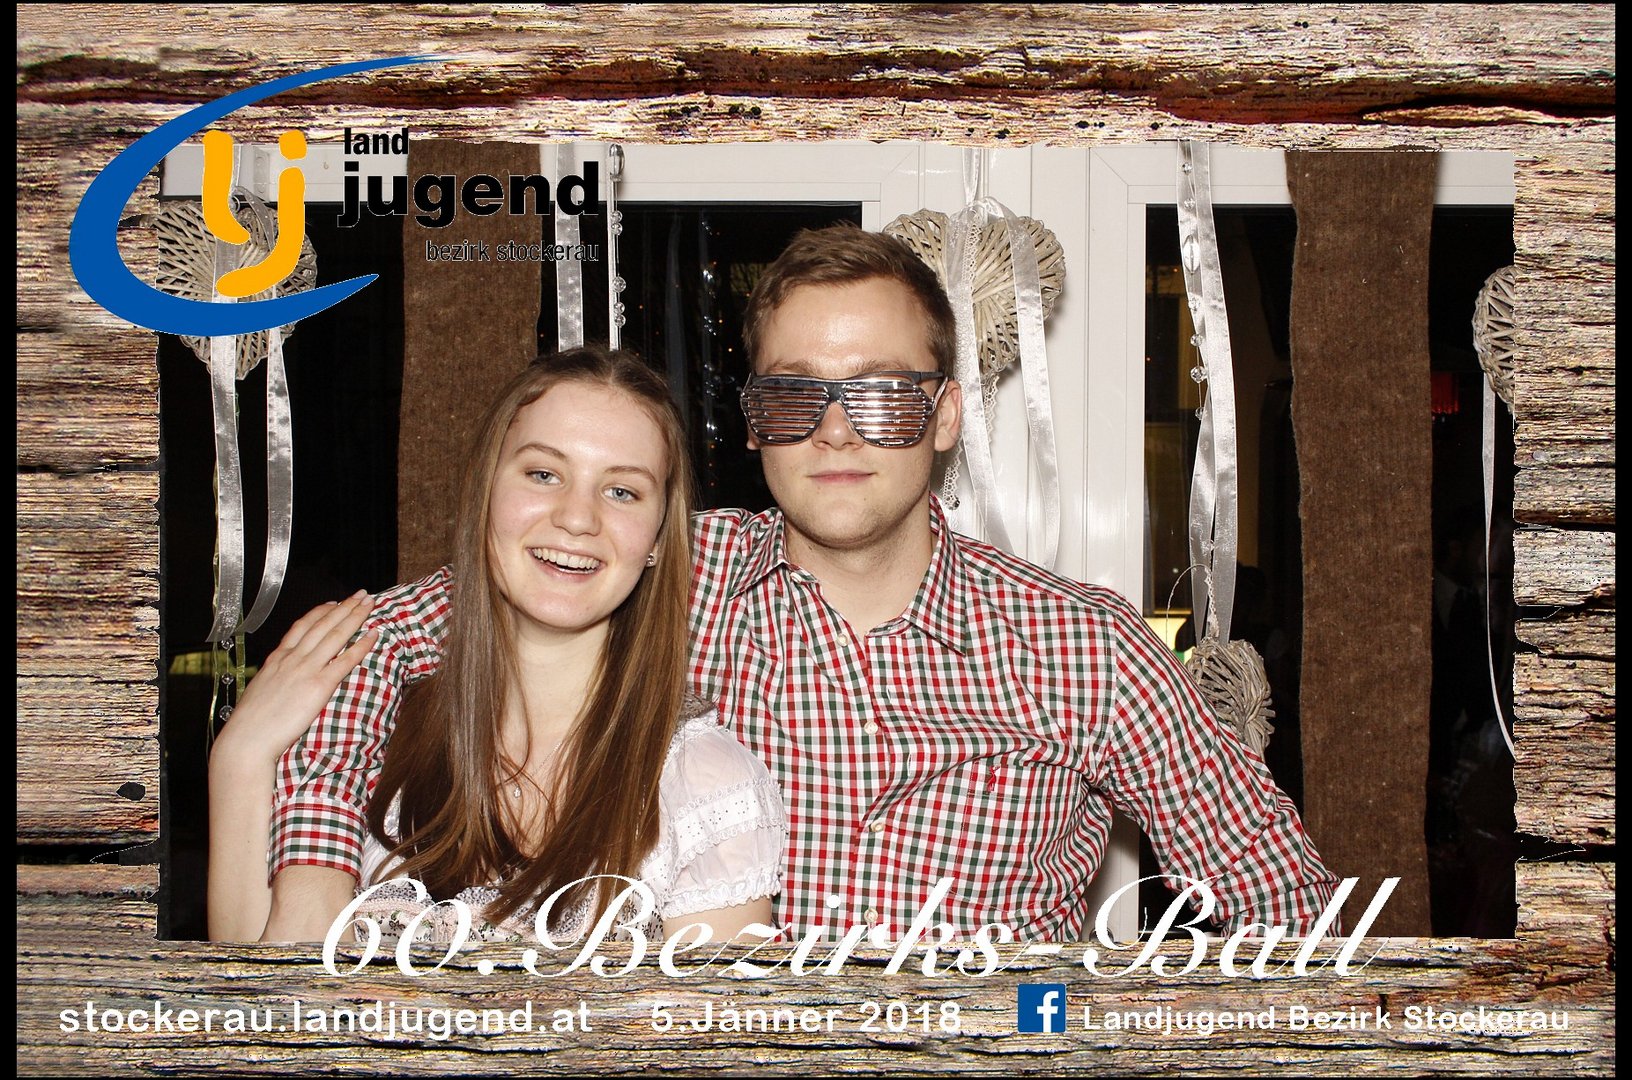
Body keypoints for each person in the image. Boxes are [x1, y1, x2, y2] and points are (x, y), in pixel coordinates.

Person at [267, 225, 1339, 942]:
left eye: (880, 395)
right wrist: (310, 875)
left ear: (945, 417)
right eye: (794, 396)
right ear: (754, 424)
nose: (833, 431)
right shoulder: (660, 576)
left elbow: (1288, 907)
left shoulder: (1083, 648)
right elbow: (382, 646)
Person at [209, 346, 787, 942]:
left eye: (621, 491)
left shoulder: (704, 785)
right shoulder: (369, 732)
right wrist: (240, 758)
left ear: (659, 540)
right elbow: (252, 981)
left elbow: (710, 1009)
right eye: (543, 474)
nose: (577, 518)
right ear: (484, 491)